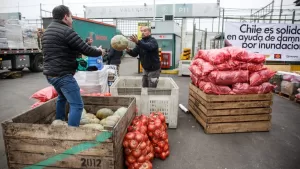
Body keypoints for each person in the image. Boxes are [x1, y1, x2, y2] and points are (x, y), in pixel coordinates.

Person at [42, 5, 103, 127]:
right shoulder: (66, 31)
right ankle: (71, 133)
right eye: (71, 16)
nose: (72, 20)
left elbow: (64, 49)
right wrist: (100, 52)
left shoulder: (47, 32)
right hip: (63, 75)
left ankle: (58, 123)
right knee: (77, 105)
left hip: (51, 75)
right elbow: (86, 50)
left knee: (62, 98)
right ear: (65, 17)